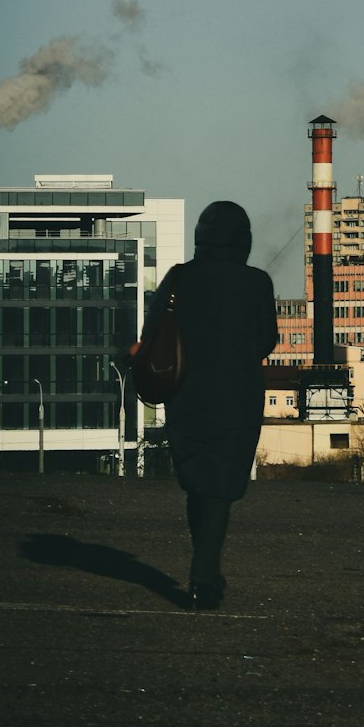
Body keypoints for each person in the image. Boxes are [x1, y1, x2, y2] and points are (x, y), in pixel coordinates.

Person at [140, 200, 278, 609]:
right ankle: (203, 577)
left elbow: (152, 330)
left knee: (199, 481)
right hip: (238, 394)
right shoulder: (257, 282)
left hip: (186, 391)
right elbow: (267, 340)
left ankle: (206, 571)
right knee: (221, 482)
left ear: (200, 237)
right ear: (244, 240)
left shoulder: (180, 278)